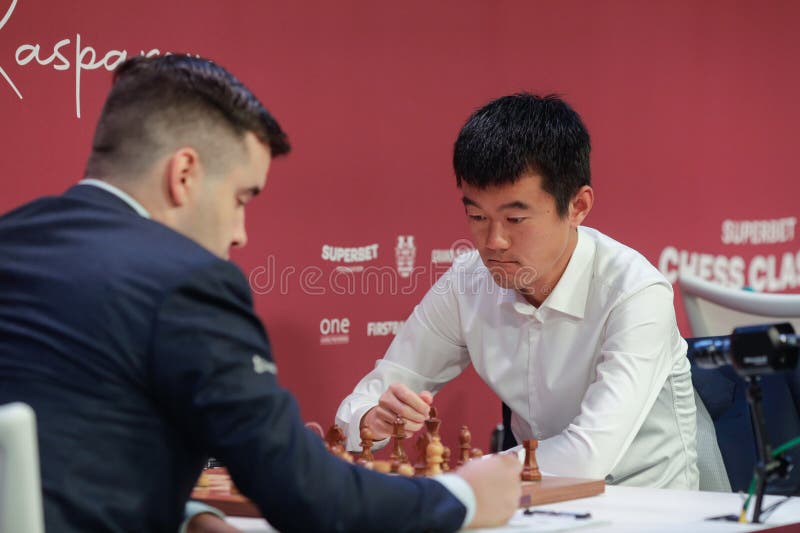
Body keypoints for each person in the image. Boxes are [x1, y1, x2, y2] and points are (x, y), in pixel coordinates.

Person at [0, 55, 522, 533]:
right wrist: (462, 498)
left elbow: (65, 453)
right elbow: (309, 495)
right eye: (240, 197)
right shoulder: (186, 280)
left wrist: (187, 515)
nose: (240, 233)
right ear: (183, 175)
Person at [337, 93, 699, 490]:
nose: (494, 241)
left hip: (647, 508)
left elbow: (588, 456)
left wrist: (463, 476)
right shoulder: (468, 283)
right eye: (476, 216)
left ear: (578, 206)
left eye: (515, 218)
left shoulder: (635, 293)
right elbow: (364, 402)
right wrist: (375, 419)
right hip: (534, 503)